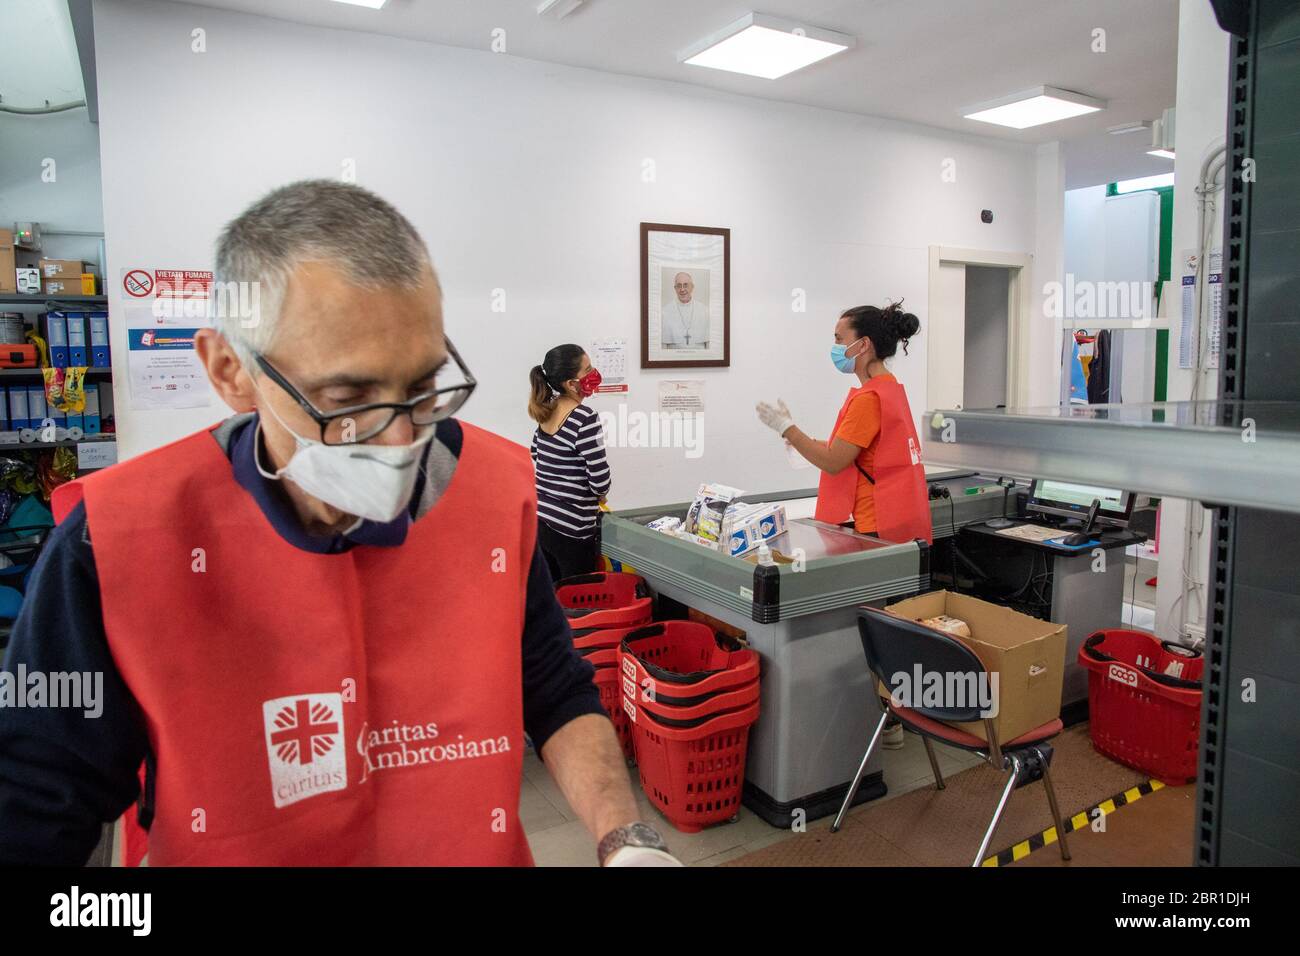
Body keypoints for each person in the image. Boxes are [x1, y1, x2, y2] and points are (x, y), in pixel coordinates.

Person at [0, 180, 678, 867]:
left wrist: (626, 840)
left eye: (421, 390)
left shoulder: (492, 494)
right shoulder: (113, 542)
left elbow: (554, 684)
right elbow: (41, 798)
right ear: (231, 369)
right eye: (348, 398)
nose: (399, 444)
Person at [757, 300, 931, 749]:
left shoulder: (869, 398)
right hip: (897, 524)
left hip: (873, 529)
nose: (834, 347)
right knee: (887, 623)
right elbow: (847, 452)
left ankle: (882, 722)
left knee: (870, 627)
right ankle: (889, 715)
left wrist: (787, 429)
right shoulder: (889, 389)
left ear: (863, 344)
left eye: (839, 339)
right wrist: (797, 436)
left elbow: (835, 460)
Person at [528, 345, 610, 583]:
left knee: (554, 597)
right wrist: (600, 493)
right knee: (578, 601)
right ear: (570, 383)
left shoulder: (547, 411)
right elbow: (600, 479)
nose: (594, 372)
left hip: (541, 522)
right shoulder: (584, 418)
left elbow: (536, 453)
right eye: (588, 369)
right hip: (572, 530)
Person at [660, 271, 709, 349]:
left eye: (686, 285)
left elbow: (709, 344)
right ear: (675, 288)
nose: (682, 289)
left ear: (692, 287)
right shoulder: (665, 312)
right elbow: (663, 346)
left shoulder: (704, 310)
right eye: (679, 286)